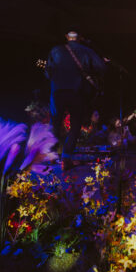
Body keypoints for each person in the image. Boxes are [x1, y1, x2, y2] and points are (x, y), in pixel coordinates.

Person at [45, 31, 107, 170]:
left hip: (58, 91)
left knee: (54, 123)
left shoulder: (55, 50)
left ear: (66, 37)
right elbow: (102, 68)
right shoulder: (86, 50)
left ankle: (50, 156)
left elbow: (47, 72)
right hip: (77, 92)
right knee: (75, 125)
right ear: (80, 38)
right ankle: (66, 158)